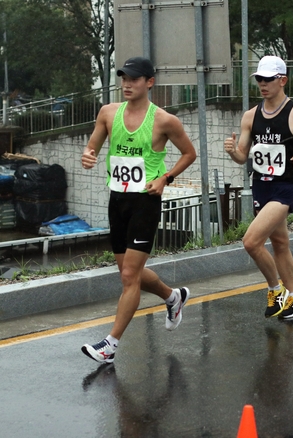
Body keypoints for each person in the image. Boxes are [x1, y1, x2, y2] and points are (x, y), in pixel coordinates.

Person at [80, 56, 197, 363]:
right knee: (129, 273)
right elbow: (93, 145)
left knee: (130, 275)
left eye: (133, 79)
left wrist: (165, 178)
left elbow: (189, 153)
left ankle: (110, 345)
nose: (127, 84)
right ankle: (173, 297)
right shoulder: (108, 113)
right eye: (123, 78)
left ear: (149, 82)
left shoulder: (164, 120)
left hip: (145, 201)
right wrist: (88, 155)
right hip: (117, 199)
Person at [224, 55, 293, 319]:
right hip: (261, 185)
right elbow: (242, 157)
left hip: (286, 187)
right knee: (280, 242)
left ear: (283, 80)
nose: (263, 84)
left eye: (268, 79)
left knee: (251, 242)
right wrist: (232, 152)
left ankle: (275, 289)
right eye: (259, 79)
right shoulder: (251, 116)